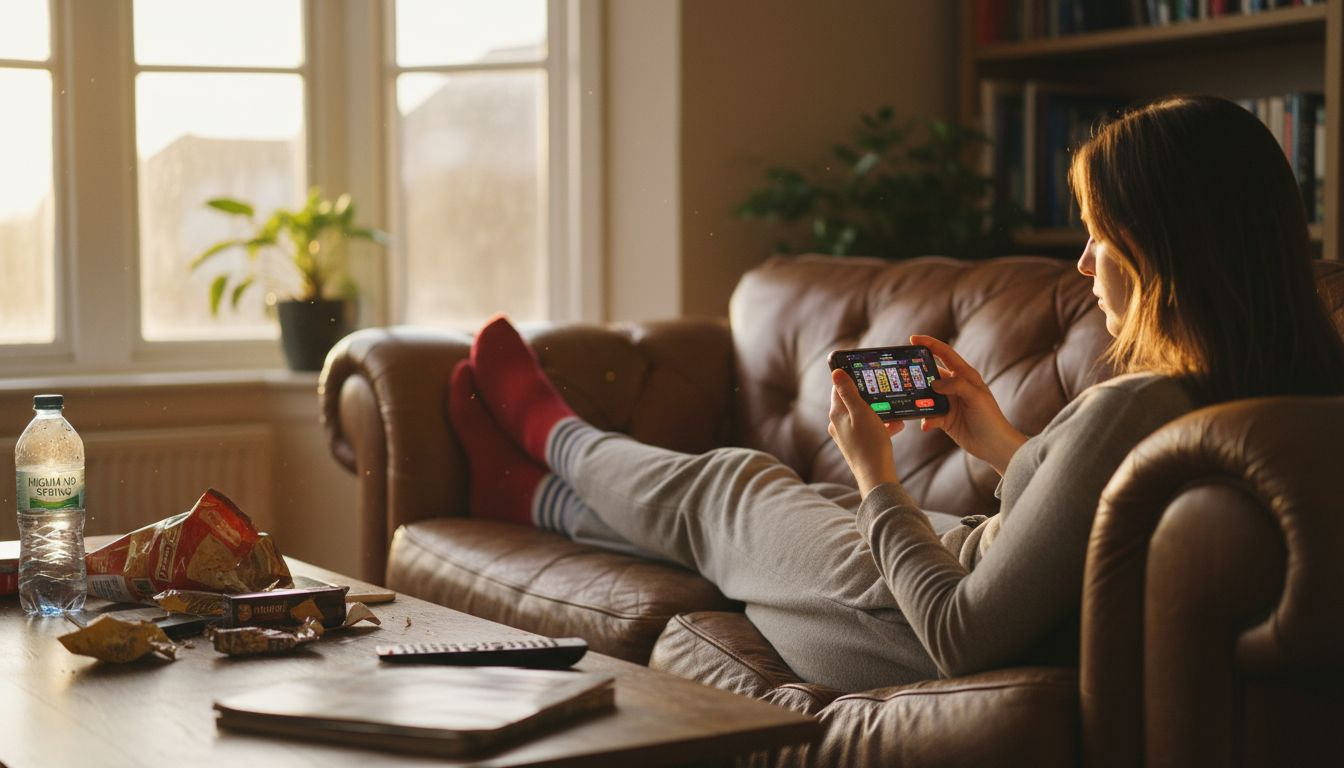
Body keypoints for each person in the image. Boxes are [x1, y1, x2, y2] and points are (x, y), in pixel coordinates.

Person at [447, 95, 1344, 692]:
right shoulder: (1279, 392)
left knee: (731, 486)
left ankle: (549, 430)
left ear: (1162, 250)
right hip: (956, 564)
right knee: (721, 531)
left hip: (903, 624)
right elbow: (1089, 522)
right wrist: (993, 438)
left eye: (1099, 237)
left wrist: (875, 475)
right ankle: (539, 497)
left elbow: (960, 635)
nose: (1081, 262)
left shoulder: (1139, 404)